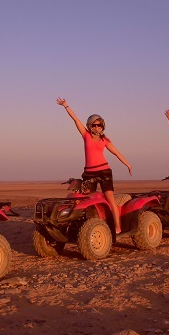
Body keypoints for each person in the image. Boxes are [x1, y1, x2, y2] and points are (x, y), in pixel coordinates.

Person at [56, 98, 132, 234]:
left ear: (102, 126)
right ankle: (90, 220)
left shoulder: (105, 140)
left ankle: (117, 226)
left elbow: (116, 153)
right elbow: (76, 120)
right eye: (94, 125)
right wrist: (66, 106)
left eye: (99, 125)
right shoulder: (85, 135)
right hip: (89, 173)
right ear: (90, 125)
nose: (97, 127)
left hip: (104, 172)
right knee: (84, 197)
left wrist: (128, 165)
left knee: (109, 197)